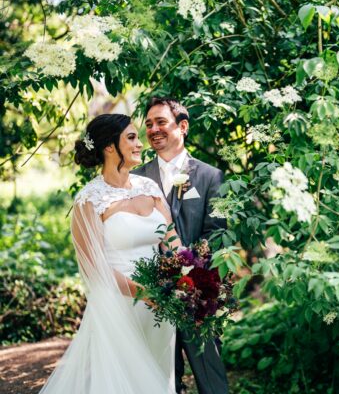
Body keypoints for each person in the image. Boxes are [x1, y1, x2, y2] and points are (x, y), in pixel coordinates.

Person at [40, 114, 179, 393]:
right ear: (109, 147)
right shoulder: (89, 200)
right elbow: (94, 267)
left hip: (161, 305)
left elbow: (172, 241)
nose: (140, 144)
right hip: (117, 306)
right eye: (131, 138)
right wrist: (142, 292)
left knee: (159, 376)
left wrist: (190, 278)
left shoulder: (150, 188)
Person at [132, 97, 229, 394]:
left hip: (196, 293)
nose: (153, 129)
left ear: (182, 126)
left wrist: (195, 277)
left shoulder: (213, 176)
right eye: (148, 124)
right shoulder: (135, 179)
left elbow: (217, 233)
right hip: (152, 295)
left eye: (161, 122)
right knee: (159, 377)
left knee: (209, 374)